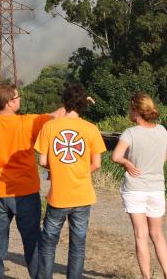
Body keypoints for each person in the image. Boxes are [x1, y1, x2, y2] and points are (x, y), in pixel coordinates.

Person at [0, 82, 65, 279]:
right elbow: (56, 115)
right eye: (17, 98)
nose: (20, 100)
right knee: (32, 239)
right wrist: (75, 103)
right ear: (8, 103)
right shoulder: (28, 122)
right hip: (26, 192)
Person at [34, 84, 106, 279]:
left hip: (58, 196)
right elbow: (97, 164)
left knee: (48, 243)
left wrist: (57, 169)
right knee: (78, 245)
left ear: (63, 102)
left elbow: (42, 160)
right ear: (83, 105)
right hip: (83, 196)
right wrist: (81, 171)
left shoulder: (49, 127)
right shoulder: (91, 129)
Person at [111, 92, 167, 279]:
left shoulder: (130, 133)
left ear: (136, 110)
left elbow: (115, 157)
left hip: (135, 189)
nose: (129, 111)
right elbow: (164, 157)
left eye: (131, 108)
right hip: (156, 189)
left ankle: (147, 277)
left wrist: (127, 163)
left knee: (141, 236)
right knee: (158, 235)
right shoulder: (162, 130)